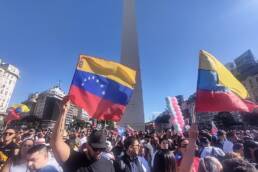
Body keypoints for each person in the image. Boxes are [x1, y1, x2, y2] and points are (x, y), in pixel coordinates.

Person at [51, 97, 115, 172]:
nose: (98, 151)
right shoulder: (75, 160)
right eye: (95, 148)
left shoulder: (108, 164)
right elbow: (56, 142)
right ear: (87, 145)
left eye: (102, 149)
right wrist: (63, 112)